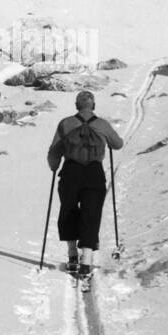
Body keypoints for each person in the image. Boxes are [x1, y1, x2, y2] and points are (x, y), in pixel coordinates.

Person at [46, 90, 123, 282]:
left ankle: (72, 256)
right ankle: (86, 262)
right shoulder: (102, 124)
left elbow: (54, 152)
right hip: (94, 173)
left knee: (69, 210)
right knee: (91, 214)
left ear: (77, 105)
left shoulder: (66, 123)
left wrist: (54, 166)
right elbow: (118, 144)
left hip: (71, 172)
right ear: (93, 105)